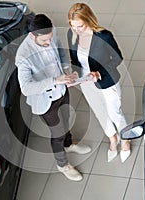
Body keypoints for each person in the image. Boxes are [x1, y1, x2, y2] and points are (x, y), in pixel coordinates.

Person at [15, 14, 91, 181]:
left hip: (62, 89)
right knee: (57, 133)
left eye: (50, 38)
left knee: (67, 117)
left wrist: (66, 70)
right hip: (46, 101)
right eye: (44, 41)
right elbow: (26, 88)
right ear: (31, 35)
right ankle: (62, 164)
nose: (48, 42)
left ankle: (69, 144)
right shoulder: (23, 56)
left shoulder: (50, 34)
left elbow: (60, 51)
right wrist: (55, 80)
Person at [67, 3, 131, 163]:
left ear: (88, 20)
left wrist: (99, 73)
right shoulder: (72, 34)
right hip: (86, 83)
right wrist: (74, 73)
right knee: (100, 113)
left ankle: (125, 139)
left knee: (114, 113)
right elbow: (74, 60)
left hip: (106, 81)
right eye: (73, 26)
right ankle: (113, 139)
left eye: (80, 26)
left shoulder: (104, 36)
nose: (77, 30)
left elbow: (117, 58)